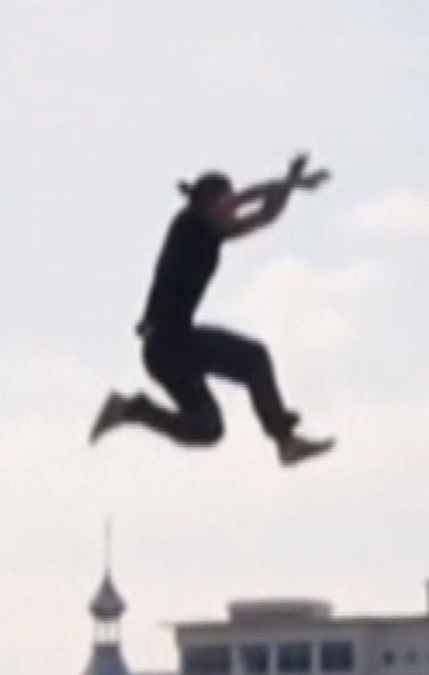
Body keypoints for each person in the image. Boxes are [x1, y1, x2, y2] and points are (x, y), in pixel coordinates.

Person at [89, 153, 335, 466]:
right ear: (209, 204)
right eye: (227, 206)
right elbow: (246, 197)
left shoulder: (212, 234)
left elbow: (266, 215)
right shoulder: (188, 225)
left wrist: (288, 183)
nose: (234, 214)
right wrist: (294, 181)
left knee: (208, 429)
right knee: (253, 358)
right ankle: (285, 442)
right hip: (168, 342)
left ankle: (131, 409)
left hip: (168, 350)